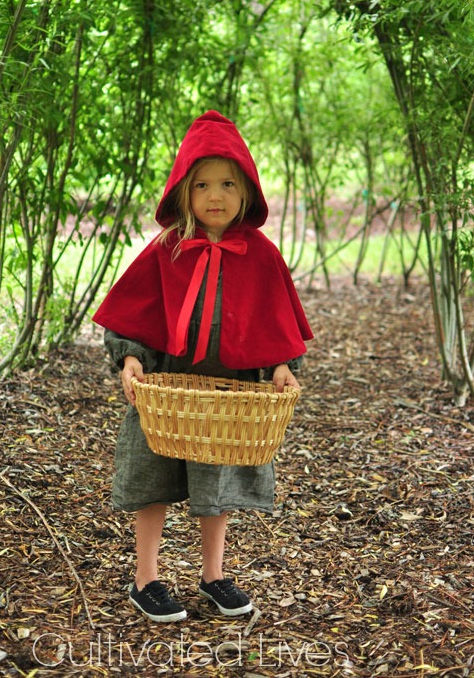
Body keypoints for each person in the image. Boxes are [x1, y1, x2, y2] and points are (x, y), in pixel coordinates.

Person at [92, 110, 313, 623]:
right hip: (165, 386)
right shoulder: (167, 249)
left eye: (229, 184)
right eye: (204, 184)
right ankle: (145, 578)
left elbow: (275, 318)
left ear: (248, 192)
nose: (216, 195)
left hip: (229, 390)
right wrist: (129, 358)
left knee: (216, 482)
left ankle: (213, 575)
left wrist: (282, 364)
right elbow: (134, 314)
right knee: (155, 476)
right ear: (184, 192)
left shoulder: (260, 254)